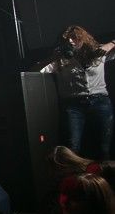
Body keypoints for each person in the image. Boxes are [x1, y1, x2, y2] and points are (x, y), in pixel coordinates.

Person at [37, 25, 115, 159]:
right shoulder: (60, 60)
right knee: (73, 147)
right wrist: (53, 57)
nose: (71, 41)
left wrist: (111, 44)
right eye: (67, 40)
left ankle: (103, 172)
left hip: (100, 101)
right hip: (74, 106)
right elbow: (35, 71)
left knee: (104, 147)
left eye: (74, 38)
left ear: (83, 38)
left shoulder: (98, 52)